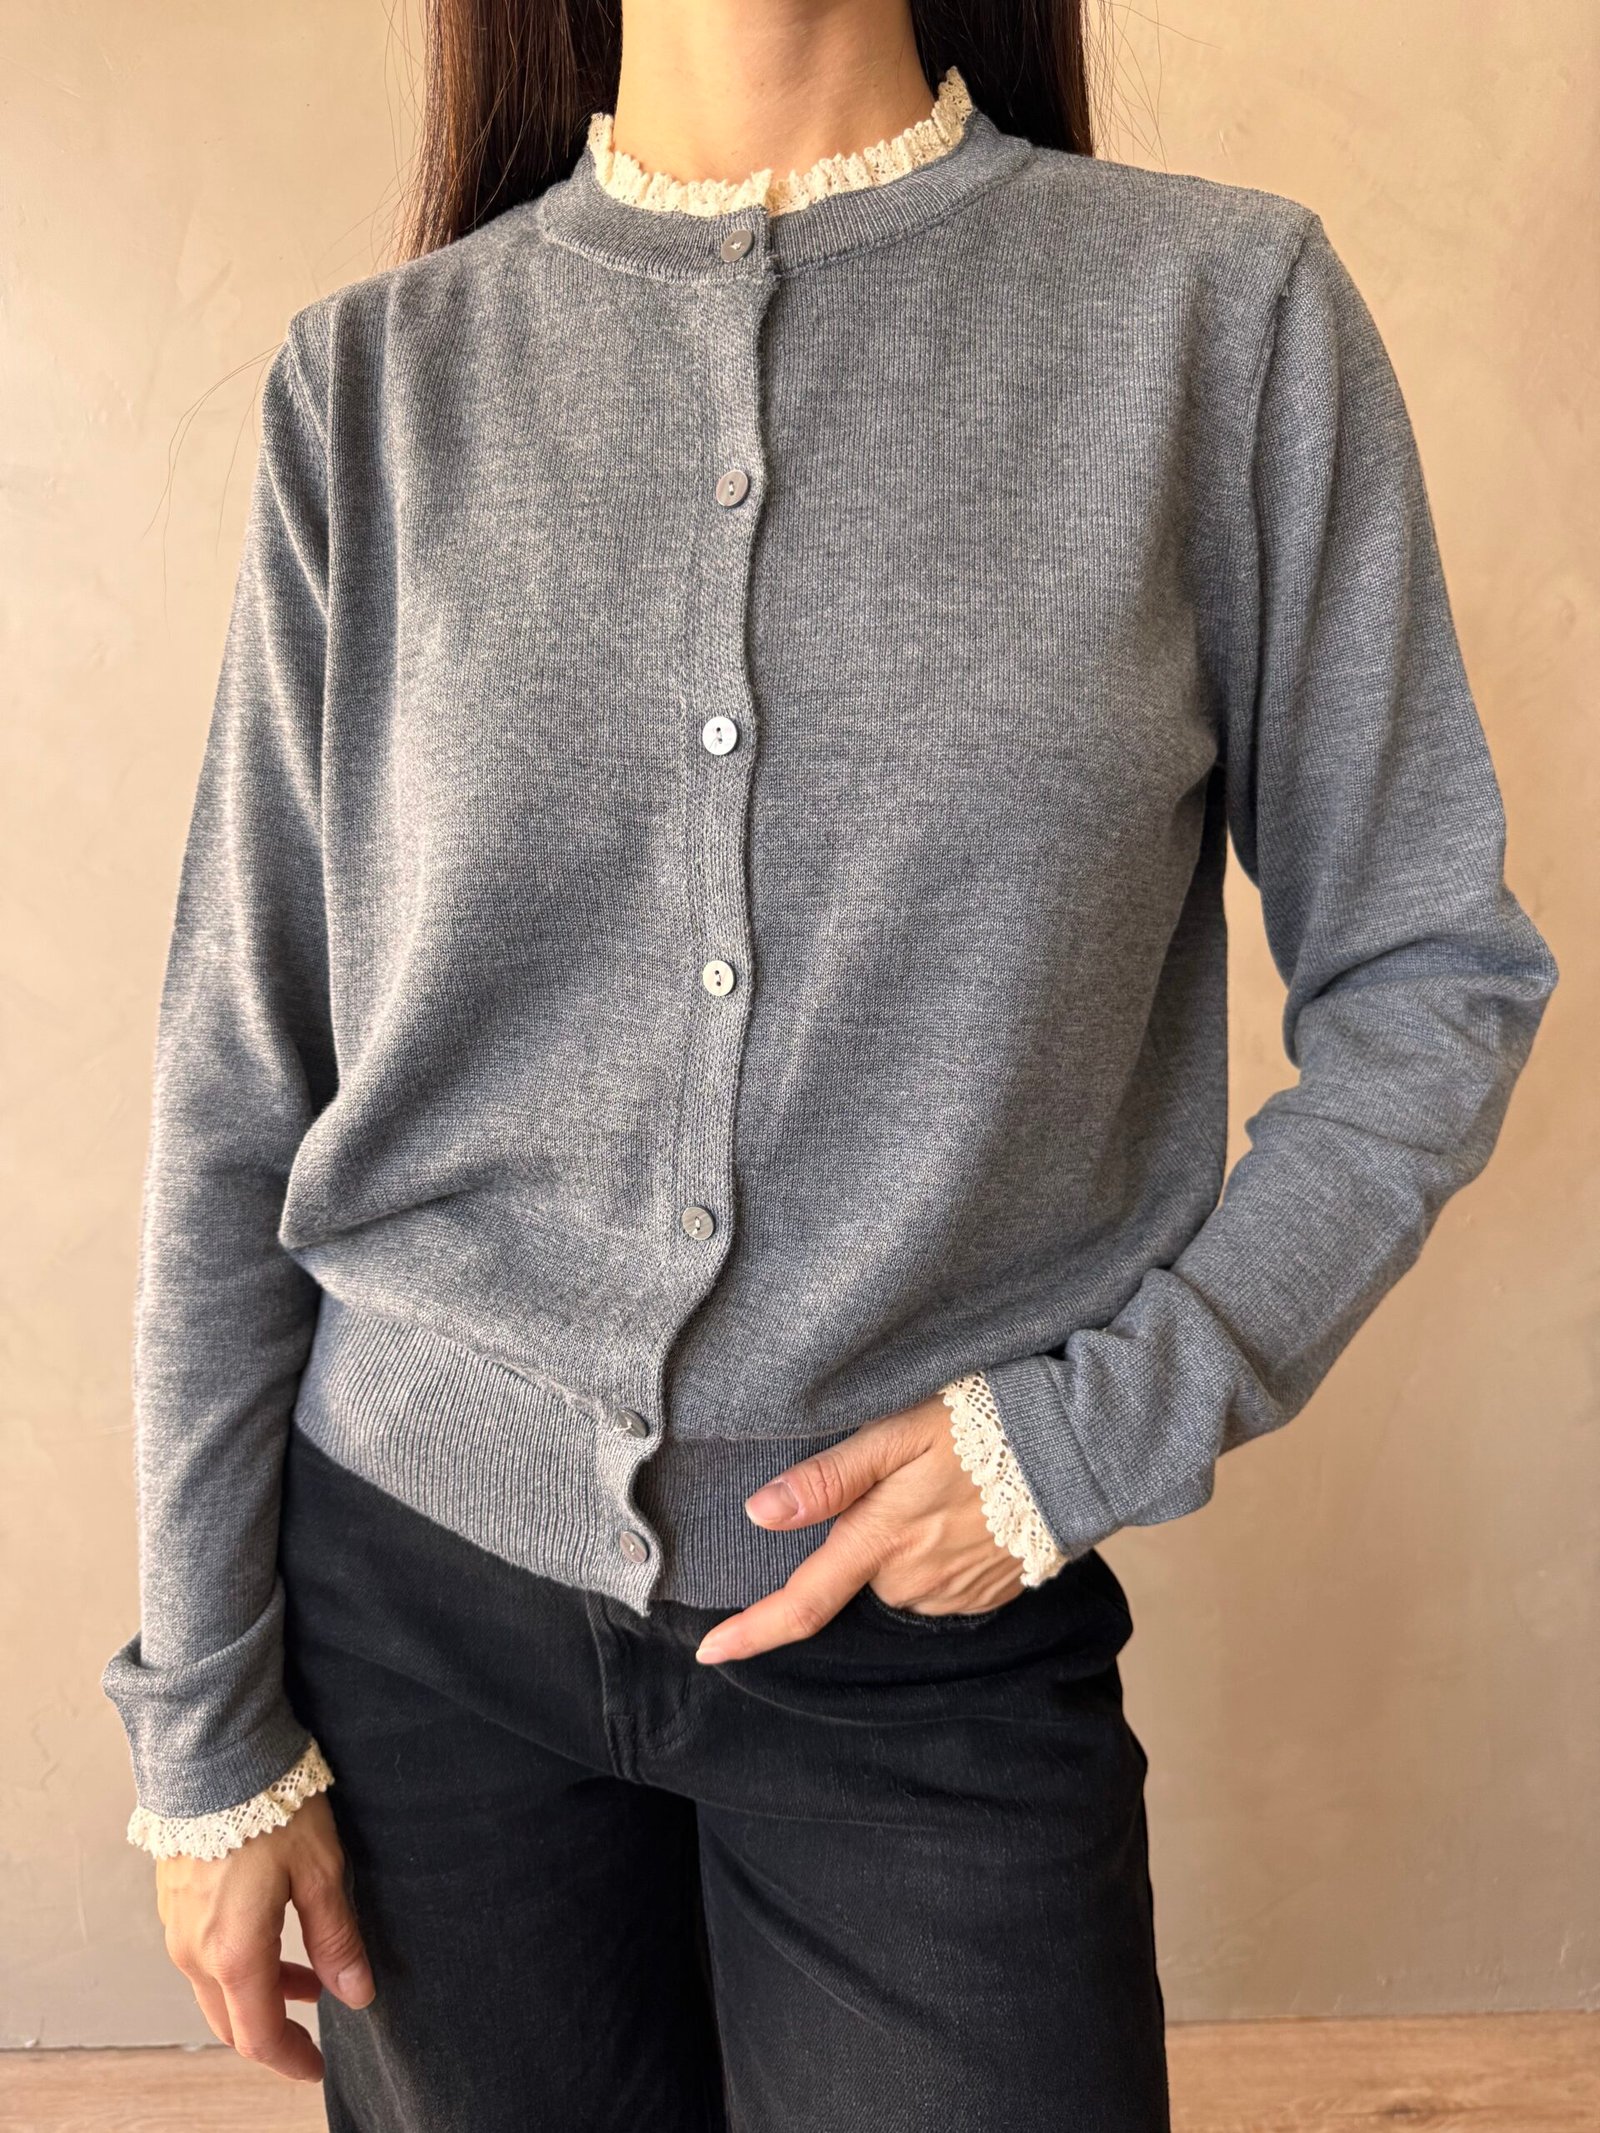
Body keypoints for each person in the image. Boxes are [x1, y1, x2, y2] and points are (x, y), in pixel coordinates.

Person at [100, 2, 1558, 2127]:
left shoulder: (1215, 320)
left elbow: (1431, 973)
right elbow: (244, 1081)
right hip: (410, 1628)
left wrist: (1088, 1428)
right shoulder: (378, 384)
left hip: (932, 1653)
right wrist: (206, 1723)